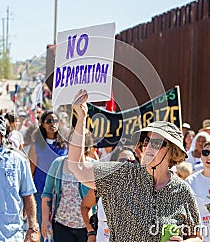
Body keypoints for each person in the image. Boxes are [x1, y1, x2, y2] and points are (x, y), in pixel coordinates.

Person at [68, 90, 202, 242]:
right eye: (146, 141)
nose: (149, 147)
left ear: (172, 152)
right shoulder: (122, 175)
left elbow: (196, 236)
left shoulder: (182, 190)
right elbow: (77, 167)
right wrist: (81, 119)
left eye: (157, 143)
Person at [41, 130, 96, 242]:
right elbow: (47, 193)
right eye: (72, 141)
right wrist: (45, 220)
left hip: (87, 228)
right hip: (62, 226)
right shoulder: (58, 164)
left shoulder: (94, 166)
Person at [80, 147, 137, 242]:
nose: (128, 165)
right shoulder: (103, 186)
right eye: (123, 161)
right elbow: (85, 206)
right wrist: (91, 232)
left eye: (132, 162)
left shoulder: (143, 189)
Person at [28, 111, 68, 232]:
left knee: (60, 227)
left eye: (55, 121)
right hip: (41, 192)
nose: (52, 124)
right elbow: (31, 173)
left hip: (62, 193)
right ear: (43, 124)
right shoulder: (36, 146)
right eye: (49, 121)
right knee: (43, 226)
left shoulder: (66, 146)